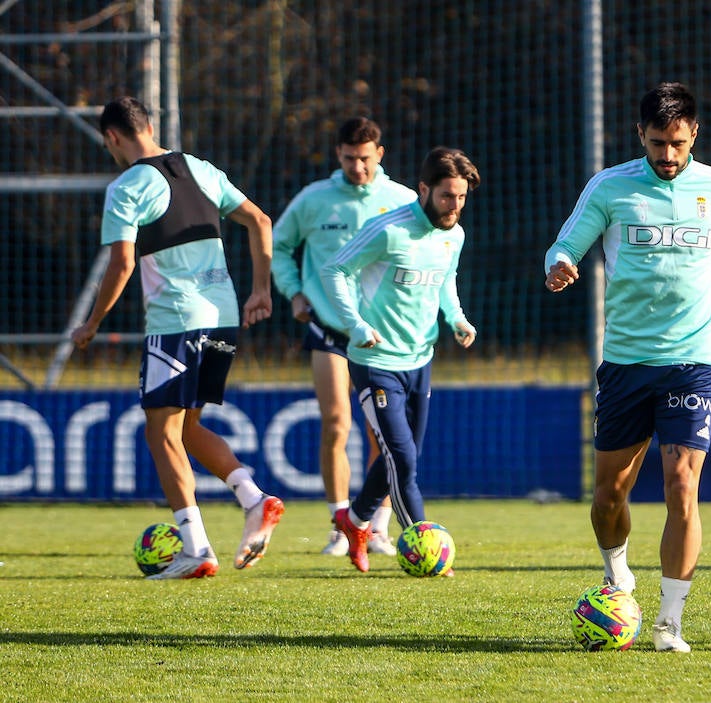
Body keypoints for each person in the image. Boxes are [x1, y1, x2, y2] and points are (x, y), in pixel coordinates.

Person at [543, 82, 711, 653]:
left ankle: (669, 624)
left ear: (694, 136)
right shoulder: (610, 188)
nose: (668, 155)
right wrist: (561, 264)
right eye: (658, 143)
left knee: (682, 486)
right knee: (610, 496)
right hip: (627, 363)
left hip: (693, 359)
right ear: (640, 135)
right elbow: (566, 243)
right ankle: (618, 578)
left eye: (678, 144)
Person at [72, 96, 284, 579]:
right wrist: (260, 290)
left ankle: (196, 549)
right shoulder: (200, 169)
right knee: (185, 428)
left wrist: (93, 322)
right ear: (150, 125)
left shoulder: (127, 187)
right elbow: (261, 220)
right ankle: (254, 500)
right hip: (224, 315)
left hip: (177, 322)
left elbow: (123, 264)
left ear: (113, 137)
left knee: (158, 431)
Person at [322, 146, 479, 573]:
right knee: (403, 458)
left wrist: (458, 319)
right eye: (447, 196)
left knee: (401, 455)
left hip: (420, 360)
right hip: (375, 361)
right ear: (424, 189)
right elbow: (334, 270)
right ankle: (428, 549)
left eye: (462, 197)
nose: (455, 206)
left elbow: (446, 281)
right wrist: (354, 324)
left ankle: (354, 522)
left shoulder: (454, 235)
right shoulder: (387, 230)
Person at [271, 117, 417, 556]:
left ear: (380, 154)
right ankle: (339, 525)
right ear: (338, 154)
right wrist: (294, 292)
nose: (358, 167)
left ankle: (376, 528)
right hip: (330, 329)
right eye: (350, 158)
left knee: (385, 436)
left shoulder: (404, 200)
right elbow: (279, 246)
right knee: (337, 423)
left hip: (383, 336)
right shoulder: (315, 199)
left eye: (366, 158)